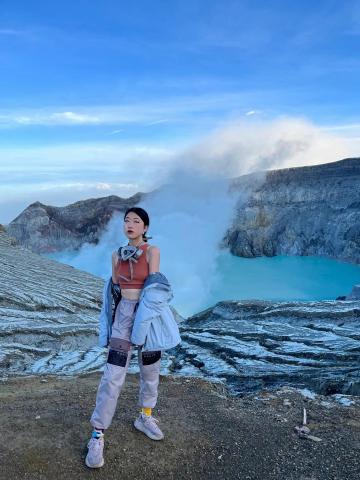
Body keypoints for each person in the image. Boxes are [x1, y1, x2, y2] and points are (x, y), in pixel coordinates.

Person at [85, 207, 168, 469]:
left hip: (148, 318)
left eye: (136, 221)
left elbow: (154, 288)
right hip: (123, 318)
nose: (130, 224)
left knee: (150, 370)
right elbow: (114, 292)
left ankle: (144, 417)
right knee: (112, 375)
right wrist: (108, 326)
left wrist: (144, 323)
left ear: (145, 227)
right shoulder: (115, 256)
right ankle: (97, 434)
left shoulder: (152, 252)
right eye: (127, 220)